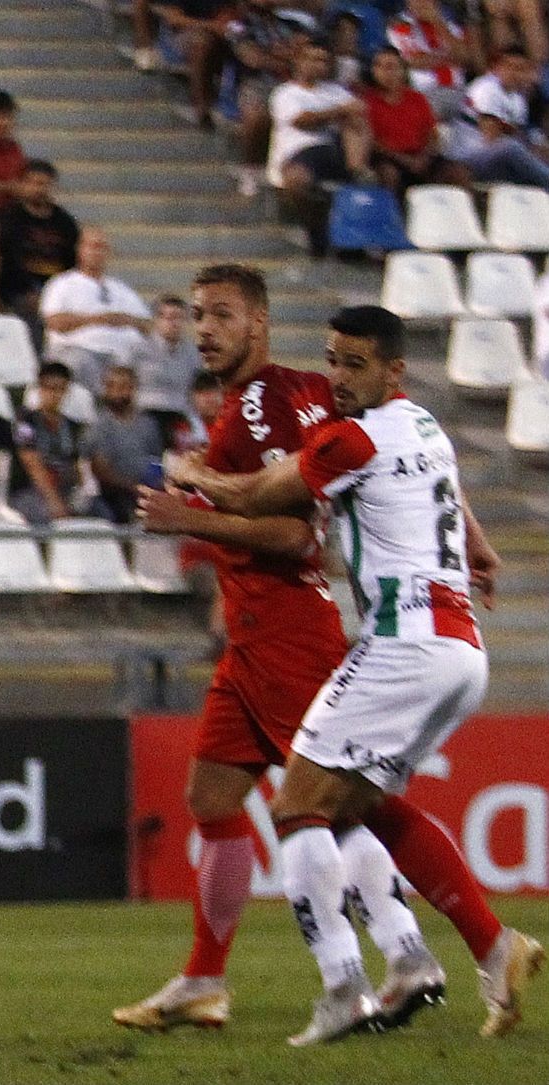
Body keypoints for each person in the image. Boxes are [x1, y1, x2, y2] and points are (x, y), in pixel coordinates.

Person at [119, 266, 505, 1038]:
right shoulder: (314, 394)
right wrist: (468, 534)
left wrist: (187, 510)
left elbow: (297, 533)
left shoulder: (261, 406)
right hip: (253, 633)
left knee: (334, 803)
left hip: (287, 627)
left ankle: (435, 953)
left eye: (221, 315)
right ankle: (202, 977)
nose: (203, 329)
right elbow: (407, 454)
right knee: (214, 799)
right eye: (195, 315)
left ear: (258, 322)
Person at [269, 39, 371, 256]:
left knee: (357, 124)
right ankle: (318, 231)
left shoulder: (337, 92)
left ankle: (357, 175)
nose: (319, 65)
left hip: (334, 150)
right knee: (296, 180)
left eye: (324, 60)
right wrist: (339, 111)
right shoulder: (285, 93)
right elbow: (302, 121)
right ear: (299, 61)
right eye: (313, 59)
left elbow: (358, 114)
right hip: (300, 151)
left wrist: (343, 112)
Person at [39, 228, 153, 391]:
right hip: (80, 350)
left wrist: (126, 320)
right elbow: (54, 322)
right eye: (92, 246)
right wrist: (97, 320)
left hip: (122, 355)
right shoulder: (62, 284)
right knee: (78, 362)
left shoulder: (121, 288)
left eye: (102, 247)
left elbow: (149, 325)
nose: (97, 252)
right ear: (80, 250)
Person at [226, 0, 309, 197]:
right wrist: (288, 56)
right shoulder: (238, 26)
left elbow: (309, 55)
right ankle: (250, 167)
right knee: (256, 114)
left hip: (294, 84)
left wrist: (281, 55)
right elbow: (253, 59)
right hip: (257, 83)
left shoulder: (292, 25)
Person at [360, 47, 465, 194]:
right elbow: (373, 142)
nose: (384, 72)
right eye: (379, 67)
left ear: (402, 71)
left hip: (421, 156)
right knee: (388, 174)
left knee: (458, 173)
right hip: (390, 158)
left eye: (390, 67)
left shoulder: (417, 99)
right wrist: (405, 160)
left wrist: (423, 158)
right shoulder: (367, 102)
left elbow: (432, 134)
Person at [449, 48, 549, 190]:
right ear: (497, 68)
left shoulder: (517, 98)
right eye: (510, 67)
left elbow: (520, 135)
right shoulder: (486, 88)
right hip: (466, 160)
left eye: (521, 69)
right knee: (511, 147)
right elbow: (491, 139)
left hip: (497, 160)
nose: (515, 74)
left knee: (538, 147)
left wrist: (537, 148)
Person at [0, 160, 80, 319]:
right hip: (20, 290)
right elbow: (8, 260)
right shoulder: (11, 219)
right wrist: (26, 290)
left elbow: (73, 260)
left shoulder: (65, 222)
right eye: (34, 183)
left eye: (44, 184)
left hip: (58, 287)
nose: (39, 189)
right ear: (23, 185)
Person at [8, 361, 88, 525]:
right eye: (49, 388)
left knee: (98, 512)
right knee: (46, 515)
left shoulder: (72, 427)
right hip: (29, 490)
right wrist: (54, 501)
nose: (54, 394)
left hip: (64, 489)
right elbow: (31, 462)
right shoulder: (24, 422)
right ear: (40, 389)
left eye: (60, 389)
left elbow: (75, 465)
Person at [86, 365, 164, 524]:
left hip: (147, 490)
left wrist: (154, 487)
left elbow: (156, 460)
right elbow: (100, 469)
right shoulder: (99, 426)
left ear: (133, 389)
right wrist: (133, 488)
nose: (116, 392)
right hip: (114, 494)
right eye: (110, 386)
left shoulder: (148, 424)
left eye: (122, 387)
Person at [127, 295, 204, 441]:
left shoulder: (193, 353)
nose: (172, 323)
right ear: (156, 320)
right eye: (166, 317)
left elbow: (197, 386)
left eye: (178, 317)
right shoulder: (138, 349)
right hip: (146, 410)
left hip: (180, 412)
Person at [154, 0, 236, 129]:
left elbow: (228, 21)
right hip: (184, 34)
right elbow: (174, 19)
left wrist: (219, 28)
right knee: (201, 43)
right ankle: (201, 107)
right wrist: (209, 26)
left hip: (223, 38)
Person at [387, 0, 468, 116]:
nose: (422, 3)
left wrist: (437, 23)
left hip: (458, 90)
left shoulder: (448, 24)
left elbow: (463, 57)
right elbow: (414, 61)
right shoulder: (400, 25)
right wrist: (450, 58)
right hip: (425, 92)